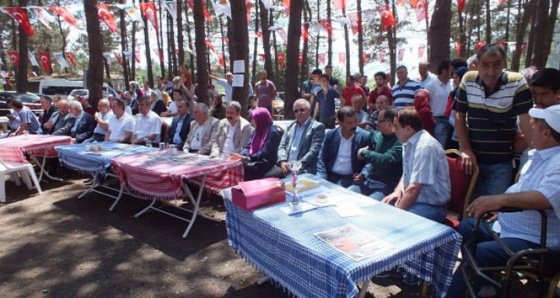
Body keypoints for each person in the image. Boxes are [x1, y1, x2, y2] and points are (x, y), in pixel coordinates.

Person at [447, 104, 560, 297]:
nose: (531, 128)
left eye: (536, 125)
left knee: (479, 253)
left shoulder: (557, 161)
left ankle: (457, 292)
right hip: (512, 229)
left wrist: (500, 200)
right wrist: (504, 209)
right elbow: (525, 191)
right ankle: (484, 284)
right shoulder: (541, 157)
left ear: (546, 133)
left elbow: (545, 197)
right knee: (466, 227)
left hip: (539, 244)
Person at [455, 44, 533, 199]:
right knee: (465, 208)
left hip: (501, 163)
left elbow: (527, 121)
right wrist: (465, 149)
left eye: (496, 64)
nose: (491, 72)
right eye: (485, 65)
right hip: (471, 162)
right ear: (477, 65)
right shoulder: (468, 79)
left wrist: (534, 149)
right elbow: (459, 115)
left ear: (504, 63)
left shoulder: (517, 82)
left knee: (490, 213)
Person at [383, 107, 450, 223]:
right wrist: (398, 190)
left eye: (396, 126)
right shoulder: (409, 142)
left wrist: (395, 216)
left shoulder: (426, 147)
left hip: (432, 207)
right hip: (415, 201)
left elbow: (414, 189)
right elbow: (407, 173)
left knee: (395, 225)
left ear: (408, 129)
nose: (393, 130)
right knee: (381, 209)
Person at [351, 107, 403, 200]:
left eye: (380, 121)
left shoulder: (400, 141)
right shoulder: (377, 136)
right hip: (367, 181)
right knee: (347, 195)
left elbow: (385, 160)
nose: (377, 124)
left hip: (385, 186)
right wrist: (363, 174)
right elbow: (371, 162)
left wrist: (364, 152)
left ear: (389, 124)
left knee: (370, 206)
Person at [317, 107, 370, 187]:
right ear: (340, 123)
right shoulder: (331, 135)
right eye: (350, 123)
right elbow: (322, 158)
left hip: (351, 178)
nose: (354, 125)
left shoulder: (364, 137)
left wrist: (363, 174)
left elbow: (370, 162)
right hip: (329, 176)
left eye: (355, 121)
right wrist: (321, 177)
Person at [271, 99, 325, 177]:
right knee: (266, 178)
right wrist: (282, 162)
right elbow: (282, 146)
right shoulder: (290, 126)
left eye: (302, 110)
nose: (299, 113)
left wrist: (295, 166)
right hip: (286, 166)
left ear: (309, 111)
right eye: (296, 111)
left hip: (303, 168)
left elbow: (314, 151)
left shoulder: (317, 127)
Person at [232, 108, 281, 181]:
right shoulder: (256, 131)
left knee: (246, 174)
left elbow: (265, 153)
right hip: (253, 162)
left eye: (254, 119)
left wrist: (248, 158)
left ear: (260, 119)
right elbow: (247, 147)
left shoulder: (273, 132)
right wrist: (242, 155)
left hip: (266, 163)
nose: (252, 122)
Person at [425, 60, 453, 147]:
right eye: (451, 70)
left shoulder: (451, 84)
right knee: (439, 147)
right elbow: (426, 103)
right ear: (444, 72)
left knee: (449, 148)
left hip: (451, 120)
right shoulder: (431, 85)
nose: (452, 73)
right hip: (438, 121)